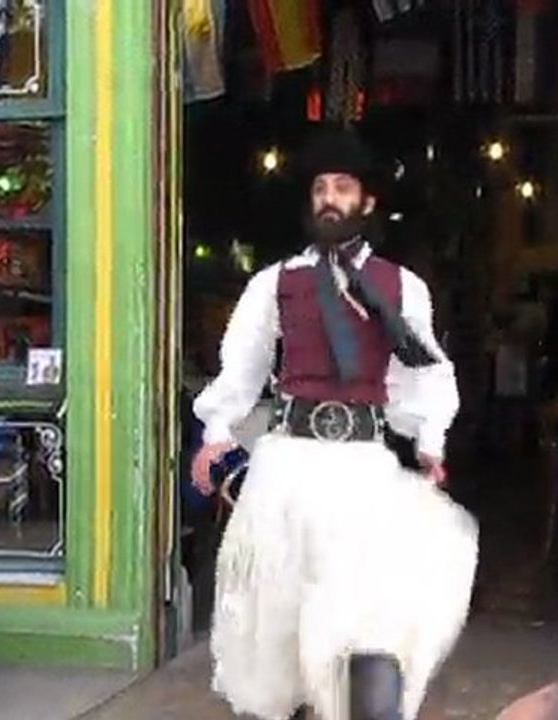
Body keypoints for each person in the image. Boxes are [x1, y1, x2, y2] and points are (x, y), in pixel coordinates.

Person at [191, 126, 478, 720]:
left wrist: (429, 441)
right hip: (286, 466)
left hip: (362, 469)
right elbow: (241, 367)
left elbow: (422, 372)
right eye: (321, 188)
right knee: (276, 623)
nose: (329, 198)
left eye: (342, 188)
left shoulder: (403, 287)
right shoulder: (275, 283)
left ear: (366, 202)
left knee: (362, 623)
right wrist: (217, 432)